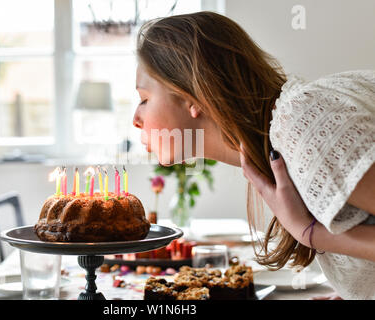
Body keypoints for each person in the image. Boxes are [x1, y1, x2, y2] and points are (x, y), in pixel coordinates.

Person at [132, 11, 375, 300]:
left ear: (190, 97)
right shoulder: (282, 141)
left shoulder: (304, 123)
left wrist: (309, 233)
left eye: (145, 99)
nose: (135, 118)